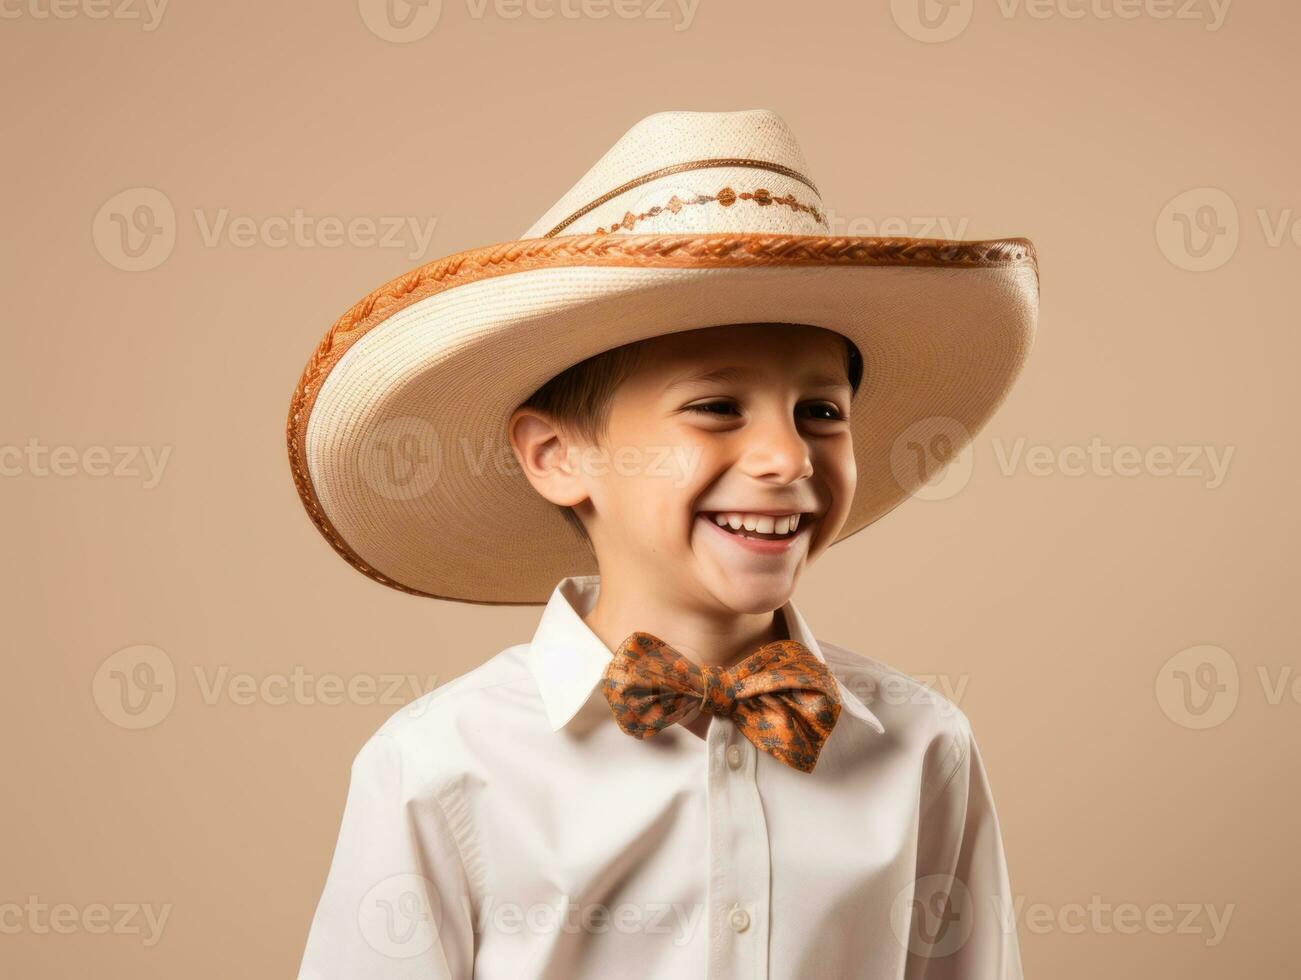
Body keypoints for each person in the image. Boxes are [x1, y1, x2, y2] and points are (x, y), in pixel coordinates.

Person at [288, 108, 1039, 978]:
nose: (787, 456)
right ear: (556, 455)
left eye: (820, 413)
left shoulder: (921, 746)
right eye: (717, 407)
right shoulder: (440, 765)